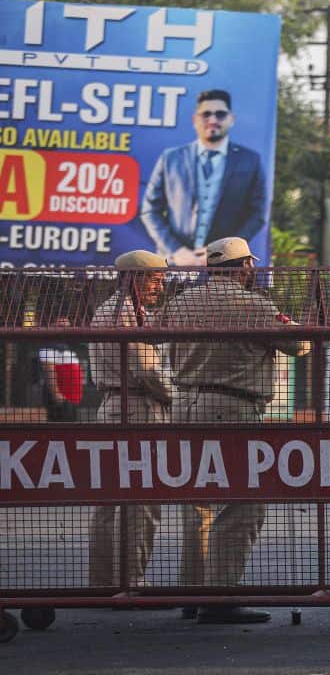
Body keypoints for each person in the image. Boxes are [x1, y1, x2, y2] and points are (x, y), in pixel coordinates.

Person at [162, 236, 310, 625]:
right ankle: (221, 595)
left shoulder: (178, 304)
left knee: (197, 501)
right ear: (243, 267)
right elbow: (300, 346)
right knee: (244, 500)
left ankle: (194, 593)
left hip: (183, 405)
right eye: (249, 264)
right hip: (232, 407)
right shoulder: (253, 306)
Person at [87, 250, 172, 588]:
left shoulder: (118, 311)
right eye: (154, 279)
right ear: (134, 279)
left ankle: (103, 581)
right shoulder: (123, 315)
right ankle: (131, 581)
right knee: (142, 499)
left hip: (116, 406)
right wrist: (179, 396)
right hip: (137, 408)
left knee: (109, 498)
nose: (159, 287)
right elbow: (149, 372)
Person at [141, 89, 267, 266]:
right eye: (206, 114)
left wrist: (223, 252)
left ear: (231, 119)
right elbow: (150, 210)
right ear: (195, 120)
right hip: (173, 264)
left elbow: (257, 214)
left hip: (224, 268)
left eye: (220, 114)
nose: (213, 120)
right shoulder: (170, 158)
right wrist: (176, 250)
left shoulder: (250, 161)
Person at [34, 322, 83, 422]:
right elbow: (49, 371)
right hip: (61, 401)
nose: (67, 328)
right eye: (62, 325)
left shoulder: (65, 347)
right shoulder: (48, 347)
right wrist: (57, 395)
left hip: (71, 400)